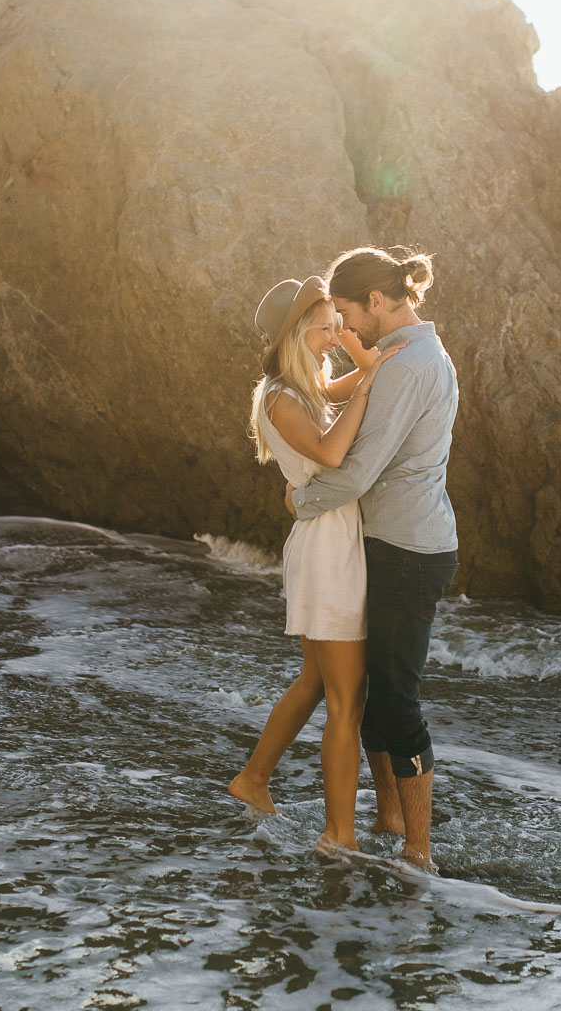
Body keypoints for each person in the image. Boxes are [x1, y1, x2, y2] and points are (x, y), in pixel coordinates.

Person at [285, 246, 458, 871]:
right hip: (395, 544)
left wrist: (301, 500)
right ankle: (389, 819)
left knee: (397, 702)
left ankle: (419, 851)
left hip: (410, 551)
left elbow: (358, 470)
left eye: (349, 314)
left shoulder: (408, 366)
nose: (346, 328)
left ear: (378, 301)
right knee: (375, 695)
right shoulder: (409, 354)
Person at [228, 274, 400, 853]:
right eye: (325, 328)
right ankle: (338, 835)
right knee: (347, 700)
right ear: (295, 333)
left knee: (314, 682)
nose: (335, 337)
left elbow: (356, 377)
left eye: (336, 326)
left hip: (327, 537)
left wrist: (363, 355)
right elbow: (330, 450)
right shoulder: (281, 397)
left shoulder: (305, 388)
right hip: (328, 549)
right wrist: (369, 384)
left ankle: (253, 779)